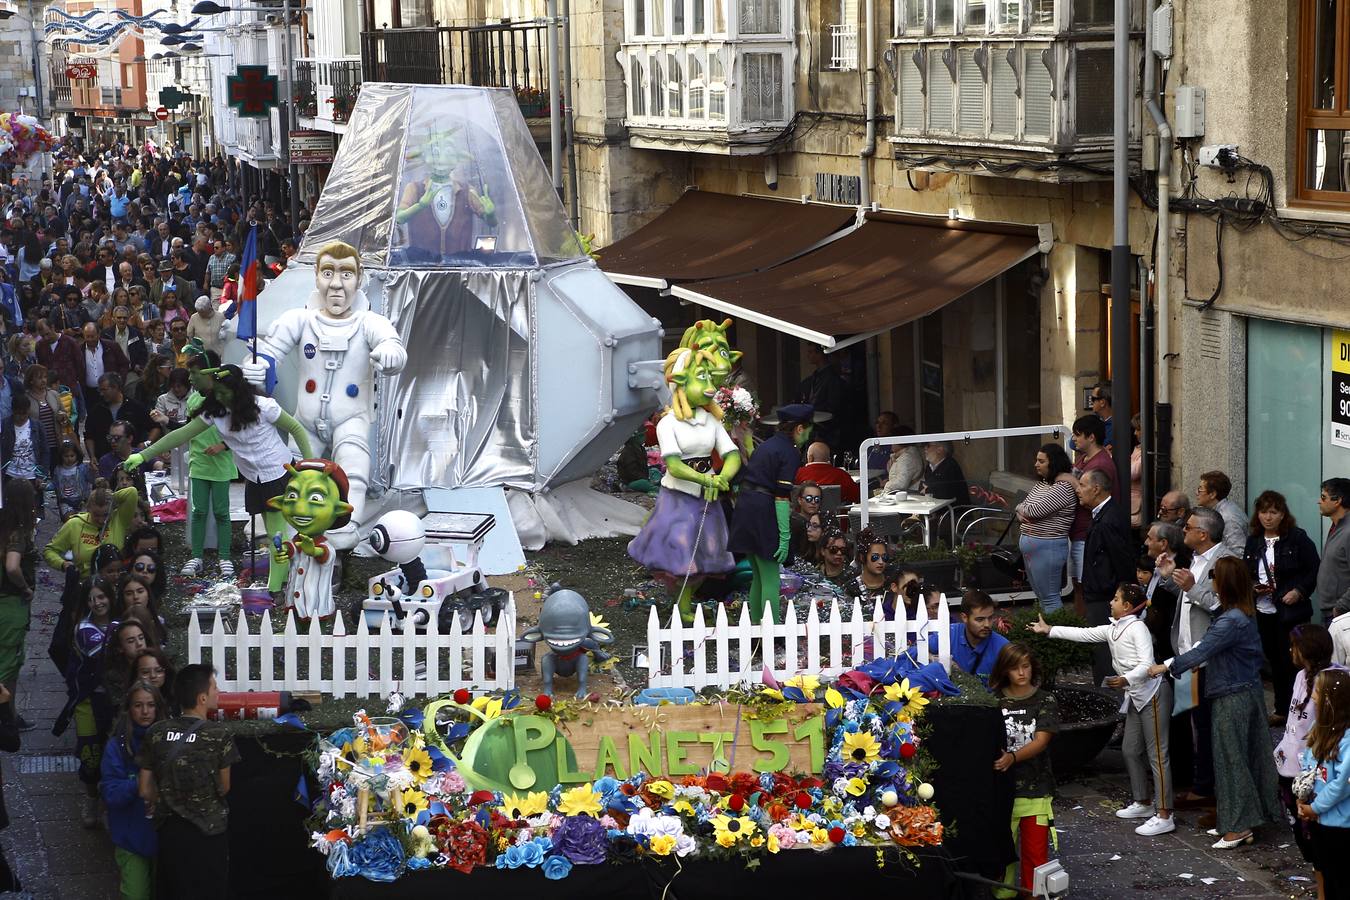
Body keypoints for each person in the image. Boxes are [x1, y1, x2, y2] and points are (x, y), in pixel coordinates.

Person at [126, 364, 312, 595]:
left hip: (278, 472)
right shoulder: (214, 412)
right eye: (218, 392)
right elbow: (181, 434)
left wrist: (309, 466)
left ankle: (274, 590)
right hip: (254, 478)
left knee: (276, 533)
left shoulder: (264, 406)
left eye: (226, 393)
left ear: (240, 391)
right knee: (274, 533)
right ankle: (282, 583)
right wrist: (144, 454)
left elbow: (296, 428)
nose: (221, 397)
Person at [1149, 557, 1282, 848]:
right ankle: (1235, 821)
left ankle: (1239, 826)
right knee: (1239, 759)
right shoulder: (1237, 614)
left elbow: (1202, 652)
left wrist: (1164, 667)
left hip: (1232, 697)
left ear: (1224, 584)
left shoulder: (1231, 620)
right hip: (1241, 692)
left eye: (1215, 577)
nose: (1211, 582)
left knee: (1232, 761)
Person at [1030, 583, 1174, 836]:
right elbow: (1084, 634)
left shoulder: (1138, 628)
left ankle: (1165, 814)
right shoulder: (1114, 628)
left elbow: (1147, 664)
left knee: (1157, 756)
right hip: (1135, 696)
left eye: (1116, 599)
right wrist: (1049, 630)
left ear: (1127, 606)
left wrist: (1126, 679)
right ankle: (1142, 802)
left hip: (1152, 695)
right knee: (1130, 750)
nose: (1111, 602)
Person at [137, 664, 240, 900]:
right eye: (214, 687)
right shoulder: (218, 735)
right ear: (202, 698)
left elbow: (144, 789)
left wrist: (166, 798)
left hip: (170, 832)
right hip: (209, 833)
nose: (218, 691)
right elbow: (224, 787)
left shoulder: (156, 732)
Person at [727, 404, 818, 623]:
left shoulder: (767, 446)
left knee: (758, 575)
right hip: (762, 509)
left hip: (745, 507)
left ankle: (758, 630)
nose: (808, 435)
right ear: (798, 429)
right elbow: (781, 496)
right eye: (808, 430)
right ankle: (772, 631)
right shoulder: (789, 452)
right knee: (771, 577)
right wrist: (785, 536)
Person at [1243, 490, 1319, 725]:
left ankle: (1301, 709)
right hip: (1264, 609)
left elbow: (1314, 569)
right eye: (1264, 512)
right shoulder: (1254, 540)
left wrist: (1298, 591)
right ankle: (1281, 708)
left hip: (1290, 610)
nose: (1268, 517)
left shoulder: (1296, 538)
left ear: (1282, 514)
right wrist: (1254, 587)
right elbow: (1247, 572)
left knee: (1293, 660)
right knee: (1274, 660)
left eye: (1273, 512)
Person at [990, 643, 1059, 894]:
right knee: (1001, 856)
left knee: (1035, 856)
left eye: (1026, 666)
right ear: (1004, 670)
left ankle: (1033, 895)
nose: (1021, 673)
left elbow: (1041, 740)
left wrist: (1012, 758)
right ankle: (1002, 895)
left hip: (1037, 791)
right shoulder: (992, 701)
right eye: (1014, 668)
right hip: (1000, 792)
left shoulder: (1045, 699)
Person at [1275, 624, 1334, 896]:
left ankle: (1325, 888)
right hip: (1289, 767)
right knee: (1300, 831)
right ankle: (1319, 877)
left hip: (1312, 772)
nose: (1290, 651)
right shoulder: (1300, 676)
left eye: (1294, 646)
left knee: (1316, 834)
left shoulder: (1332, 680)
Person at [102, 681, 163, 900]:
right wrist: (141, 783)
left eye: (151, 705)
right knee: (135, 894)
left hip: (163, 835)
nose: (145, 711)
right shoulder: (116, 747)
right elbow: (110, 793)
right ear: (129, 709)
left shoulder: (168, 741)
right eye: (138, 705)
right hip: (131, 837)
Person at [1078, 468, 1135, 683]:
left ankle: (1107, 695)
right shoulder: (1102, 515)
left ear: (1096, 489)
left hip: (1105, 596)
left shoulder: (1109, 519)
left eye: (1083, 485)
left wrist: (1118, 594)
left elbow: (1122, 560)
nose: (1078, 490)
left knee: (1103, 651)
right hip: (1100, 593)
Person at [1015, 443, 1077, 612]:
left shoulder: (1063, 488)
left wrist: (1023, 511)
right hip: (1032, 546)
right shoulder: (1042, 484)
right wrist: (1023, 510)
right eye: (1037, 460)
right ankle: (1045, 632)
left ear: (1054, 463)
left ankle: (1057, 634)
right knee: (1041, 595)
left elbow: (1034, 510)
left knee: (1050, 597)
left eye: (1041, 461)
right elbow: (1022, 505)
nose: (1036, 465)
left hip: (1048, 546)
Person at [44, 485, 140, 578]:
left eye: (106, 515)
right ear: (88, 509)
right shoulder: (74, 524)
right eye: (96, 515)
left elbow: (132, 492)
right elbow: (49, 551)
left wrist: (109, 497)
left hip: (115, 584)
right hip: (85, 585)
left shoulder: (119, 519)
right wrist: (63, 564)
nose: (101, 520)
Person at [0, 481, 35, 733]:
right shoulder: (17, 532)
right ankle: (7, 718)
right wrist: (24, 587)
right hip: (11, 606)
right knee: (8, 665)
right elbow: (13, 566)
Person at [931, 589, 1009, 685]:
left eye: (990, 618)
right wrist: (935, 660)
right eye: (980, 619)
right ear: (964, 617)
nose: (987, 624)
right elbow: (914, 651)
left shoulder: (1003, 646)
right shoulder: (950, 633)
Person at [1318, 478, 1350, 627]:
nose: (1319, 501)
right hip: (1331, 612)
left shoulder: (1348, 532)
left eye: (1324, 497)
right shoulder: (1336, 528)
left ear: (1337, 501)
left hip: (1341, 615)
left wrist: (1341, 607)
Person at [1195, 471, 1247, 556]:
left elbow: (1238, 554)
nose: (1196, 493)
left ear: (1212, 494)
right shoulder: (1217, 512)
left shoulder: (1228, 518)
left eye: (1200, 489)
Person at [794, 441, 859, 504]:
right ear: (828, 458)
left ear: (810, 458)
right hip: (835, 514)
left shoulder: (798, 473)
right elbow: (857, 496)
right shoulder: (841, 474)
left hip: (805, 514)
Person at [52, 440, 94, 521]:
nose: (69, 458)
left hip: (82, 501)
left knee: (83, 521)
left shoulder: (82, 468)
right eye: (66, 456)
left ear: (77, 455)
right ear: (61, 456)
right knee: (69, 520)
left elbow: (92, 480)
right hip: (66, 501)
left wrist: (94, 471)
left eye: (72, 456)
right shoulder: (58, 470)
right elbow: (55, 484)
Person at [846, 528, 889, 607]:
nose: (881, 561)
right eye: (875, 557)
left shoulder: (892, 583)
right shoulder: (851, 589)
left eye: (884, 557)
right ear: (862, 557)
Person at [881, 427, 924, 495]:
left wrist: (887, 486)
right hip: (904, 494)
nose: (890, 444)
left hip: (910, 495)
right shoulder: (902, 455)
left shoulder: (907, 458)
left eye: (893, 440)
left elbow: (901, 483)